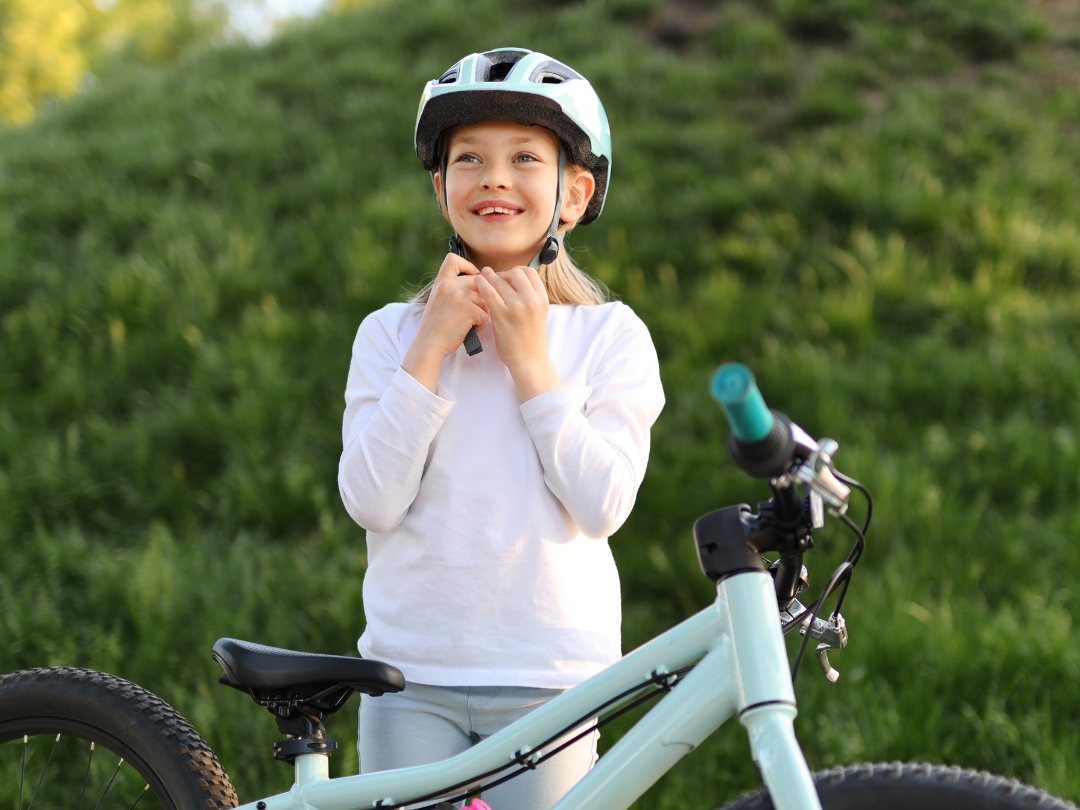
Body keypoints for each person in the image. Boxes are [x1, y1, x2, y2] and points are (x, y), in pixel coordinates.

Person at [338, 47, 665, 810]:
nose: (493, 177)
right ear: (440, 187)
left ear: (574, 194)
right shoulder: (389, 335)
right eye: (468, 159)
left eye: (524, 157)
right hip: (408, 679)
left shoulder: (609, 336)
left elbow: (603, 502)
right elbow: (371, 501)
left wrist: (529, 362)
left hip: (551, 683)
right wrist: (429, 351)